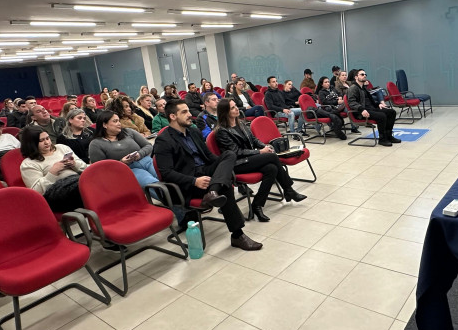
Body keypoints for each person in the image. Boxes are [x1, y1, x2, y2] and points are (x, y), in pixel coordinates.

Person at [153, 99, 261, 250]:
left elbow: (210, 157)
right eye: (184, 112)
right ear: (172, 116)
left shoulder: (193, 131)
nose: (190, 115)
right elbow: (166, 173)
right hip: (187, 183)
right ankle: (237, 235)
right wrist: (194, 181)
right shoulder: (163, 140)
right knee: (225, 186)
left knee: (229, 155)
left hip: (206, 172)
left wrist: (222, 169)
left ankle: (213, 190)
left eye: (189, 111)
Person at [215, 98, 306, 222]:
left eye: (236, 106)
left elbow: (253, 139)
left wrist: (263, 146)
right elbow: (235, 152)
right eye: (232, 107)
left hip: (250, 158)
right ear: (225, 112)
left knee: (271, 169)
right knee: (273, 157)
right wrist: (259, 152)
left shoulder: (240, 123)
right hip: (238, 164)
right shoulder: (221, 131)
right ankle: (289, 190)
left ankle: (257, 205)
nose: (237, 108)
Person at [19, 127, 87, 213]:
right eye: (41, 140)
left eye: (47, 138)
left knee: (94, 178)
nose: (47, 142)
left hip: (76, 181)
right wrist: (53, 172)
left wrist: (74, 164)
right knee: (86, 185)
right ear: (31, 143)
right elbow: (36, 191)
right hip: (55, 193)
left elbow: (85, 168)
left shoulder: (61, 148)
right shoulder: (28, 164)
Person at [89, 111, 159, 188]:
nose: (119, 123)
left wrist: (139, 154)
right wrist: (121, 163)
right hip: (129, 169)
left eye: (119, 120)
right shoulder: (96, 144)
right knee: (153, 184)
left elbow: (148, 146)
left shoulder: (128, 132)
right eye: (115, 121)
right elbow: (101, 169)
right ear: (104, 125)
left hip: (147, 161)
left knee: (166, 177)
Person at [349, 69, 400, 146]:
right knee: (382, 116)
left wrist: (378, 104)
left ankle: (388, 136)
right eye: (362, 74)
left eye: (365, 74)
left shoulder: (363, 88)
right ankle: (382, 139)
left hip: (371, 109)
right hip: (361, 112)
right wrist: (361, 109)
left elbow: (370, 100)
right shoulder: (353, 88)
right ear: (356, 77)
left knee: (391, 112)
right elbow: (352, 102)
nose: (364, 76)